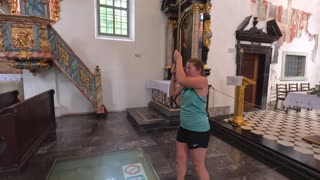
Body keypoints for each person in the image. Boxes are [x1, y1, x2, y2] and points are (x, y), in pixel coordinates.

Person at [169, 50, 210, 180]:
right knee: (180, 160)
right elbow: (172, 92)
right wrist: (173, 76)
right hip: (184, 127)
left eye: (189, 68)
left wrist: (179, 59)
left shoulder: (202, 81)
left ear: (198, 70)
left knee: (199, 165)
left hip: (198, 129)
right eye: (185, 67)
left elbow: (182, 79)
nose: (186, 70)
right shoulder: (185, 83)